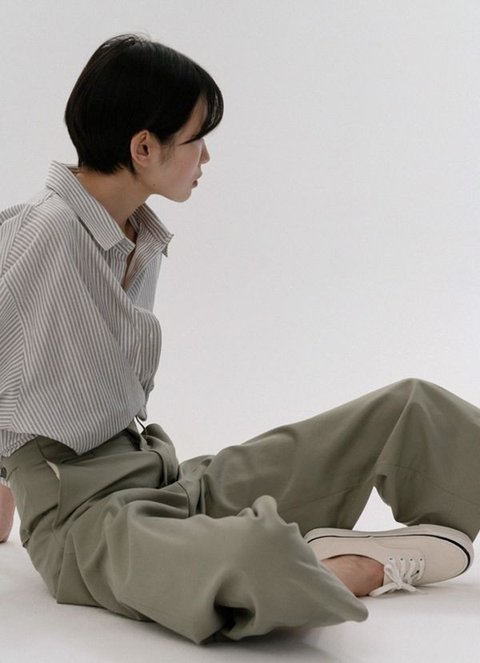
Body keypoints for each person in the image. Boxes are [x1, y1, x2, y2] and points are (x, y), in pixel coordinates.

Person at [0, 33, 478, 645]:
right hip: (84, 523)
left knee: (414, 409)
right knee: (257, 559)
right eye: (196, 138)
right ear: (144, 147)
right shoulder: (46, 233)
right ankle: (357, 565)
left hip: (161, 479)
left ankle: (304, 552)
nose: (205, 157)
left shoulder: (135, 235)